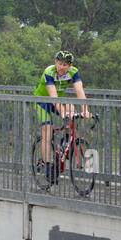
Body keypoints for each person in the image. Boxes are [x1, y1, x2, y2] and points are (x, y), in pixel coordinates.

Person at [33, 50, 89, 182]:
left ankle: (67, 141)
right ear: (55, 62)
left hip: (57, 100)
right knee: (47, 130)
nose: (61, 67)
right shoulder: (49, 72)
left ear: (70, 66)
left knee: (72, 110)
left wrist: (85, 110)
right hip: (42, 102)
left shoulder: (73, 72)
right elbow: (53, 96)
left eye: (65, 64)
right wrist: (62, 112)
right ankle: (47, 165)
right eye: (59, 63)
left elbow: (80, 91)